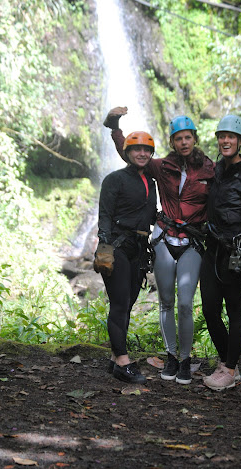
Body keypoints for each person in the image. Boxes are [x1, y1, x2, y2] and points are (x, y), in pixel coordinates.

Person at [104, 107, 241, 386]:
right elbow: (131, 154)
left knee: (187, 303)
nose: (183, 142)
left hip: (196, 241)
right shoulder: (164, 167)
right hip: (168, 238)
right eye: (178, 138)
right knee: (174, 303)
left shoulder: (212, 168)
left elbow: (235, 202)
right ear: (172, 142)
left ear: (194, 139)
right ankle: (176, 357)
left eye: (188, 137)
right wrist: (115, 128)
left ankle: (194, 361)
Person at [200, 114, 241, 391]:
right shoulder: (216, 170)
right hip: (212, 248)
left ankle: (228, 368)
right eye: (221, 136)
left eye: (231, 137)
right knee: (210, 310)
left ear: (240, 141)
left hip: (237, 250)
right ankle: (231, 364)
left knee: (235, 310)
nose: (225, 140)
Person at [93, 129, 157, 384]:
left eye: (146, 150)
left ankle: (113, 357)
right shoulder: (114, 179)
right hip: (118, 247)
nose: (142, 153)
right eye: (136, 149)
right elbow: (105, 214)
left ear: (151, 154)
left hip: (140, 249)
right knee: (119, 304)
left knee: (128, 303)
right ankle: (122, 362)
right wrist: (104, 246)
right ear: (127, 152)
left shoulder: (151, 182)